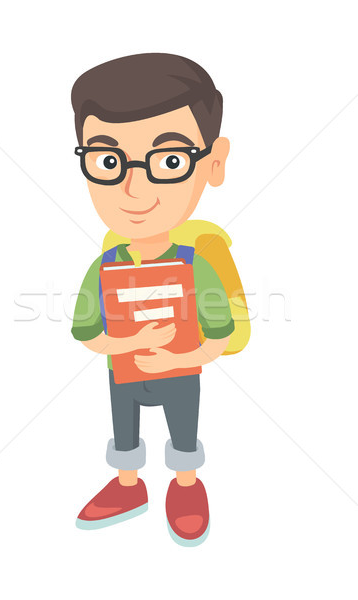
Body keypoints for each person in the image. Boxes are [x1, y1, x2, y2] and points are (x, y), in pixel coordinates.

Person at [71, 53, 234, 546]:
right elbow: (87, 333)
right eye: (108, 160)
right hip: (124, 377)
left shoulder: (197, 265)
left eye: (169, 160)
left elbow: (221, 336)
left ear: (213, 163)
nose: (132, 187)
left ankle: (186, 487)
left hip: (182, 375)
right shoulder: (102, 270)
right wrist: (128, 343)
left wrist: (180, 355)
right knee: (125, 432)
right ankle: (129, 486)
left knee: (183, 434)